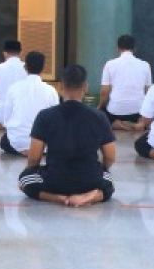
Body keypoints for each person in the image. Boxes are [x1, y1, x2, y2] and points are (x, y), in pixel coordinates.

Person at [18, 64, 115, 207]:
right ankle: (91, 196)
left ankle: (57, 198)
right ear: (85, 86)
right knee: (109, 182)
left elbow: (34, 158)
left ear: (60, 86)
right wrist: (101, 169)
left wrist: (32, 170)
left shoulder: (45, 116)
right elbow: (110, 156)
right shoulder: (99, 117)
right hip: (89, 181)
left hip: (55, 181)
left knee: (24, 180)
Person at [0, 52, 60, 156]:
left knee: (4, 142)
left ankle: (23, 150)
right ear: (43, 68)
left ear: (25, 67)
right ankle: (37, 151)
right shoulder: (51, 91)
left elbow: (6, 118)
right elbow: (56, 120)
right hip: (42, 145)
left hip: (17, 142)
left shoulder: (14, 88)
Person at [99, 34, 152, 131]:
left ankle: (118, 124)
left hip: (115, 113)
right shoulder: (145, 65)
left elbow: (104, 92)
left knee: (101, 114)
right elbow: (148, 92)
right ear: (135, 49)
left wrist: (99, 107)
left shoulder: (110, 64)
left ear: (118, 48)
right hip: (137, 112)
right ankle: (137, 125)